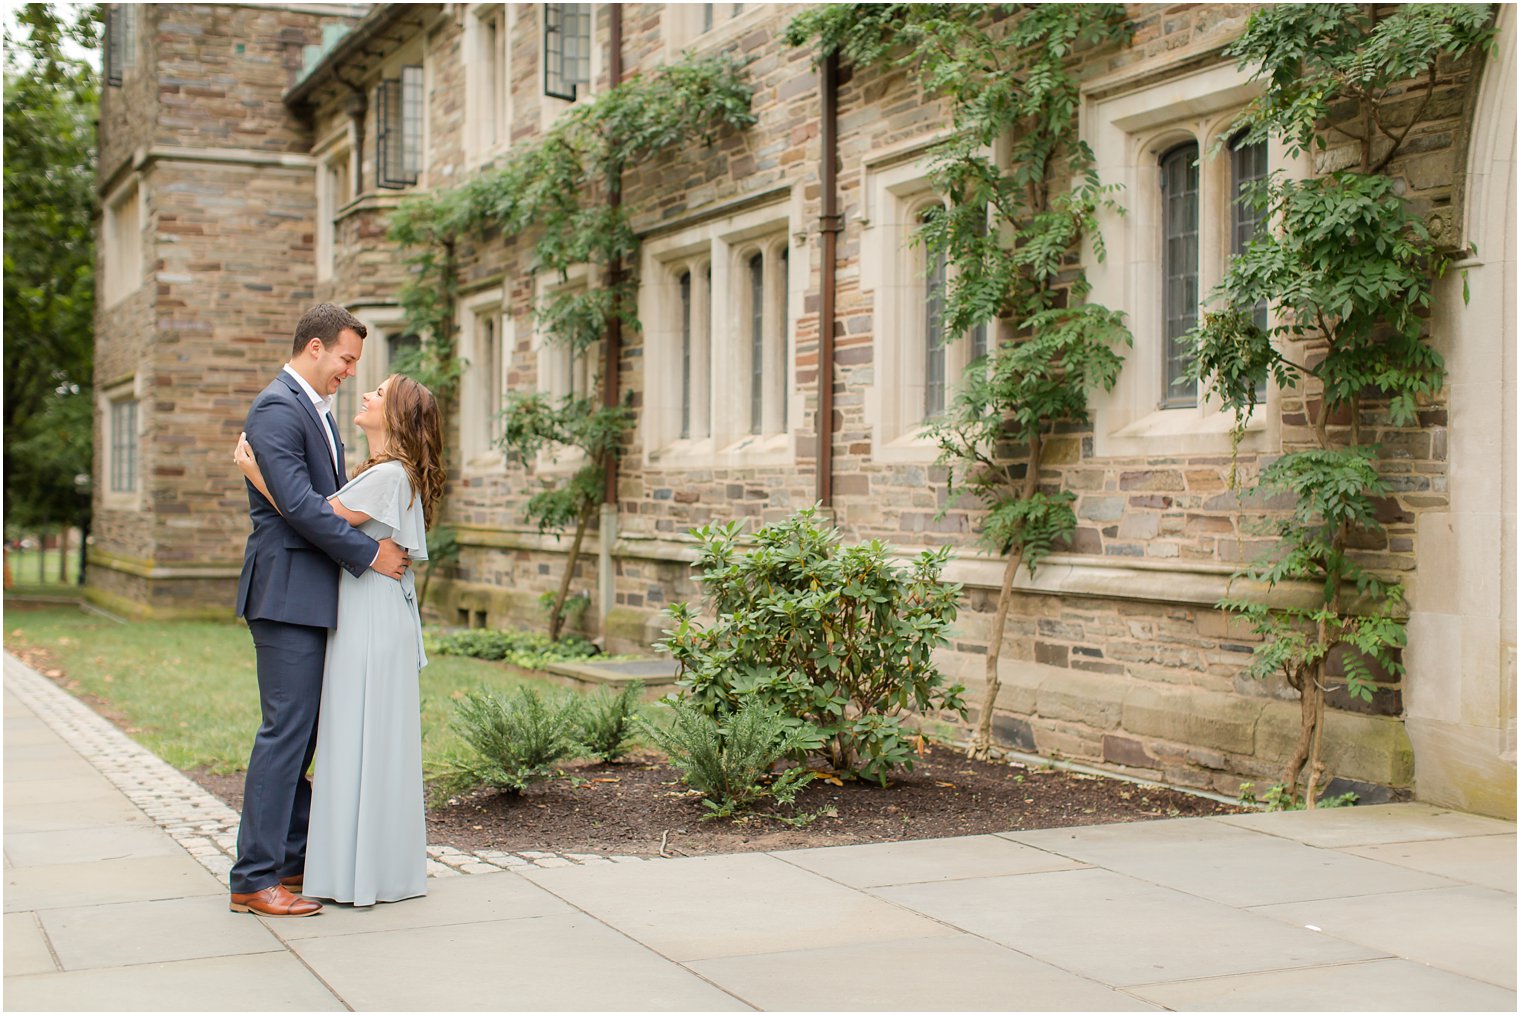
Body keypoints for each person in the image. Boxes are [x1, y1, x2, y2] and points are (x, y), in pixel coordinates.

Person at [229, 304, 411, 919]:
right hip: (284, 594)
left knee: (302, 735)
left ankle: (294, 855)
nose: (350, 373)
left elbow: (319, 501)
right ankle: (254, 878)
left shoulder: (315, 411)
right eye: (346, 359)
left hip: (310, 595)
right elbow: (305, 507)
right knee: (285, 735)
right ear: (314, 347)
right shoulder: (279, 408)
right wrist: (370, 555)